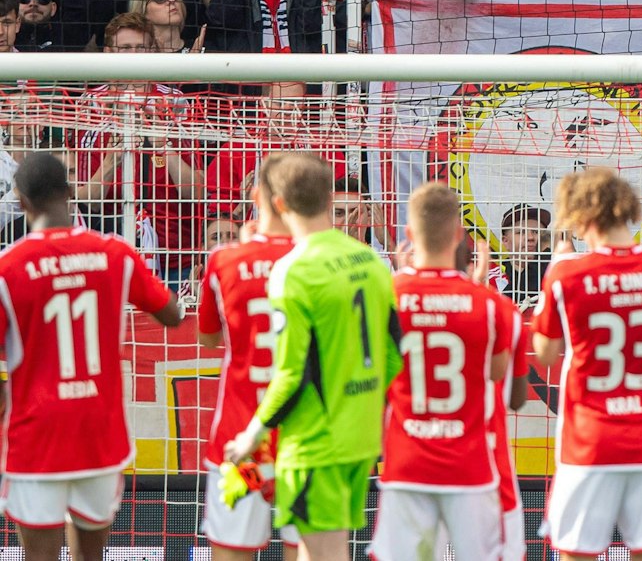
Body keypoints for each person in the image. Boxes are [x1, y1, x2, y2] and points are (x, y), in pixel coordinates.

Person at [0, 152, 182, 561]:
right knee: (90, 556)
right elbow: (170, 314)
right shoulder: (114, 253)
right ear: (69, 192)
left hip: (36, 432)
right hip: (99, 431)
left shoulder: (9, 268)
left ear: (22, 202)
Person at [223, 151, 399, 561]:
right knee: (324, 547)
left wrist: (254, 432)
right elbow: (394, 352)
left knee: (321, 552)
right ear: (328, 198)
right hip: (361, 436)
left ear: (278, 204)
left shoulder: (294, 269)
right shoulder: (369, 259)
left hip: (316, 440)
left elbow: (292, 373)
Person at [531, 167, 642, 561]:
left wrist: (557, 269)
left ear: (581, 216)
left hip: (589, 443)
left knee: (577, 553)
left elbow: (544, 353)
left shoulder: (567, 273)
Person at [374, 183, 508, 561]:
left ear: (410, 235)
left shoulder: (388, 293)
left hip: (407, 460)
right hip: (469, 463)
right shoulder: (485, 301)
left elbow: (376, 372)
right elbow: (497, 372)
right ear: (459, 237)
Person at [197, 154, 298, 561]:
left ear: (257, 195)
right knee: (307, 547)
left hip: (243, 441)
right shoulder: (324, 262)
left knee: (232, 551)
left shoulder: (224, 260)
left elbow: (206, 339)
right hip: (303, 442)